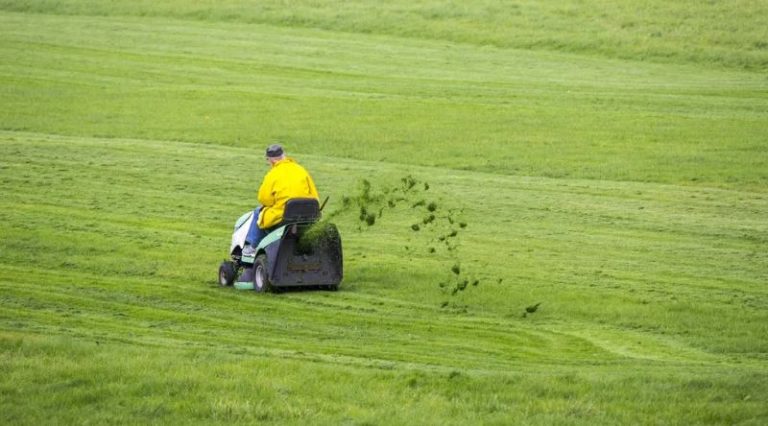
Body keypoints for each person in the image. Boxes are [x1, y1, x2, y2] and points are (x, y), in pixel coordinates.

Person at [242, 144, 319, 256]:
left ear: (271, 161)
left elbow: (264, 199)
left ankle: (251, 246)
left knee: (258, 211)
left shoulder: (272, 174)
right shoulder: (301, 170)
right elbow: (315, 196)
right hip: (307, 215)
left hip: (284, 216)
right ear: (284, 156)